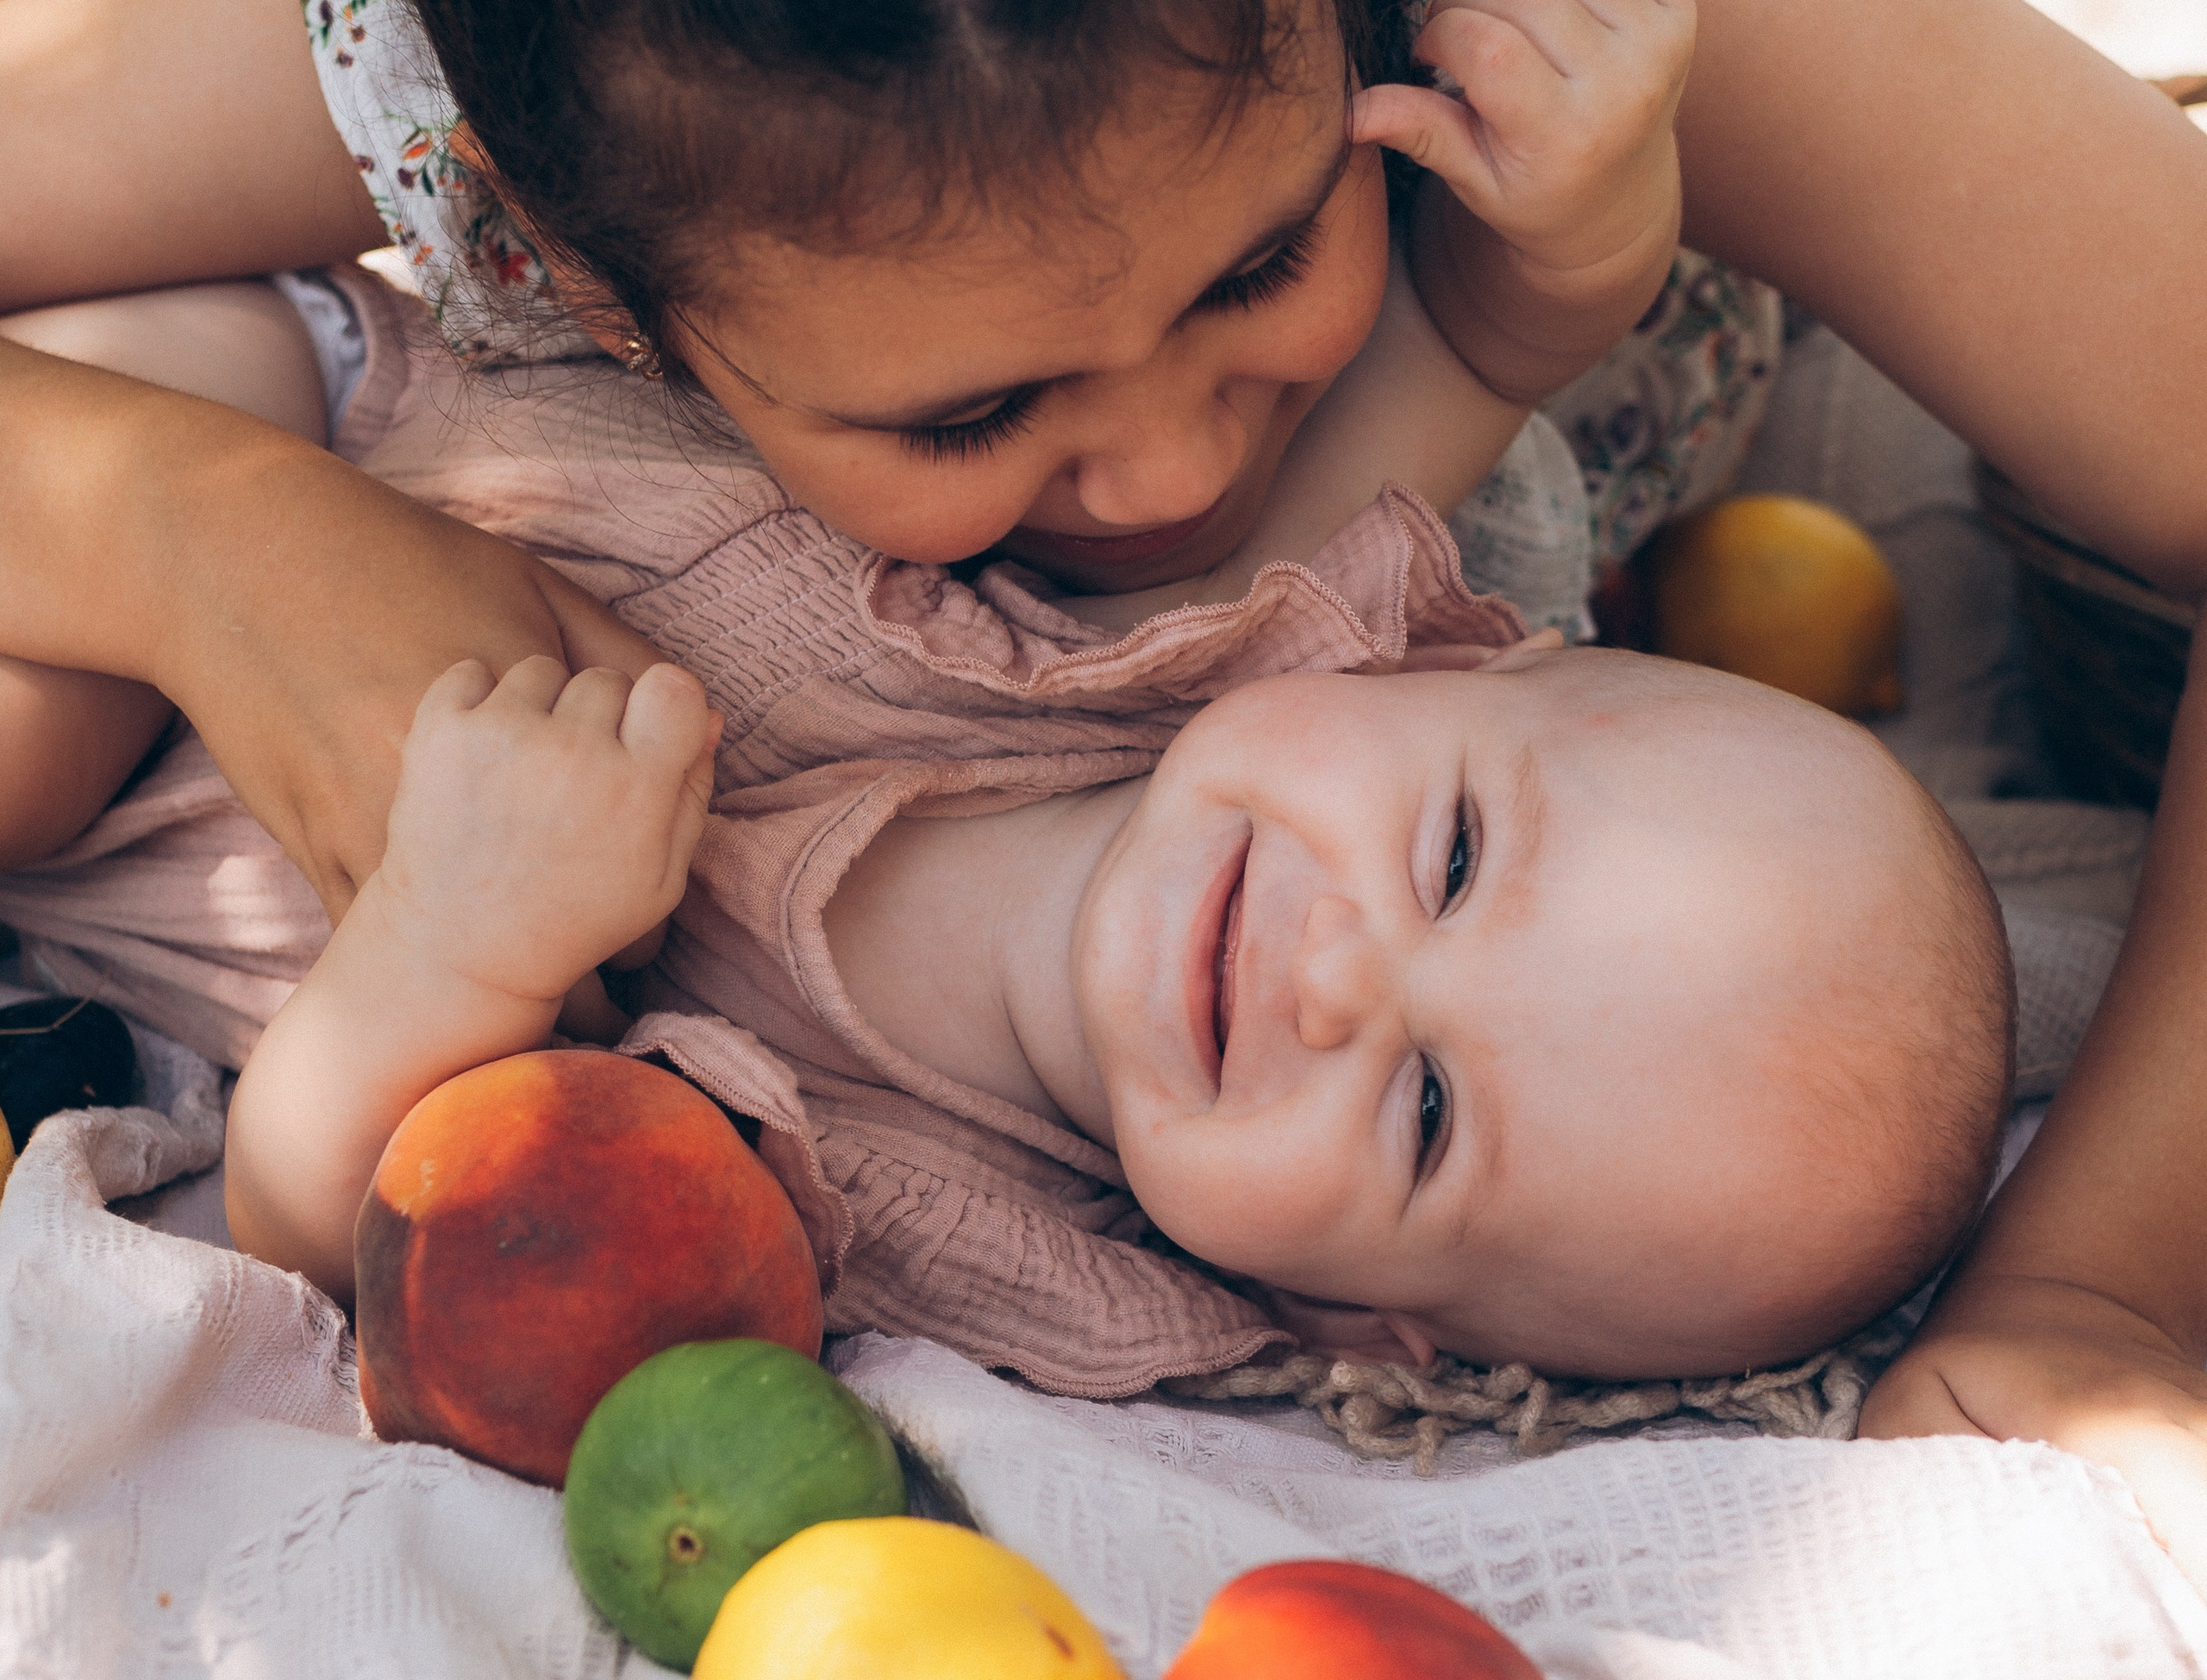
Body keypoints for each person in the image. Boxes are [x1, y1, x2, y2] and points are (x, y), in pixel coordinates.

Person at [0, 0, 2204, 1553]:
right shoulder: (505, 16)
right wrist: (198, 533)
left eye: (1256, 261)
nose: (1165, 487)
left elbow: (403, 1238)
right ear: (566, 265)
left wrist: (2094, 1285)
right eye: (967, 406)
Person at [0, 260, 2014, 1392]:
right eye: (1456, 858)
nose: (1333, 971)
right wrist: (1570, 243)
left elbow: (318, 1235)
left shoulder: (958, 1256)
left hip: (135, 881)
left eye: (1422, 1113)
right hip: (294, 421)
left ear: (1355, 1324)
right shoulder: (1193, 633)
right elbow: (1475, 343)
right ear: (1439, 669)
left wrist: (453, 951)